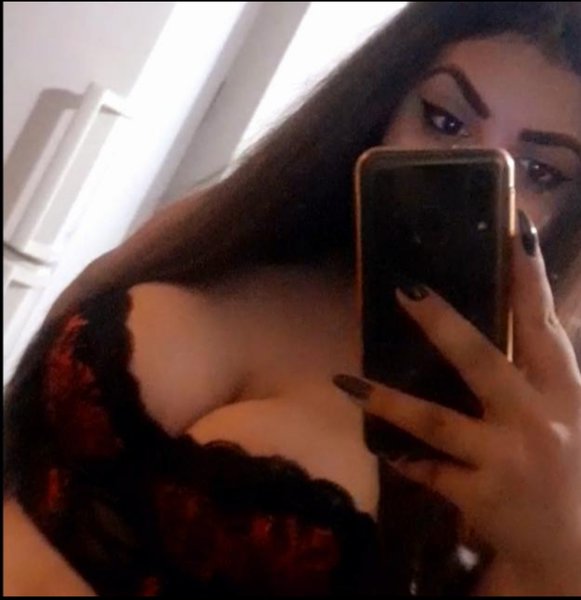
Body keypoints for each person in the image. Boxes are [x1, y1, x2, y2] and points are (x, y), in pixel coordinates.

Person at [3, 1, 581, 596]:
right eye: (445, 120)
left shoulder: (535, 446)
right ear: (387, 98)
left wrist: (559, 556)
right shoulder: (232, 228)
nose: (461, 176)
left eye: (539, 172)